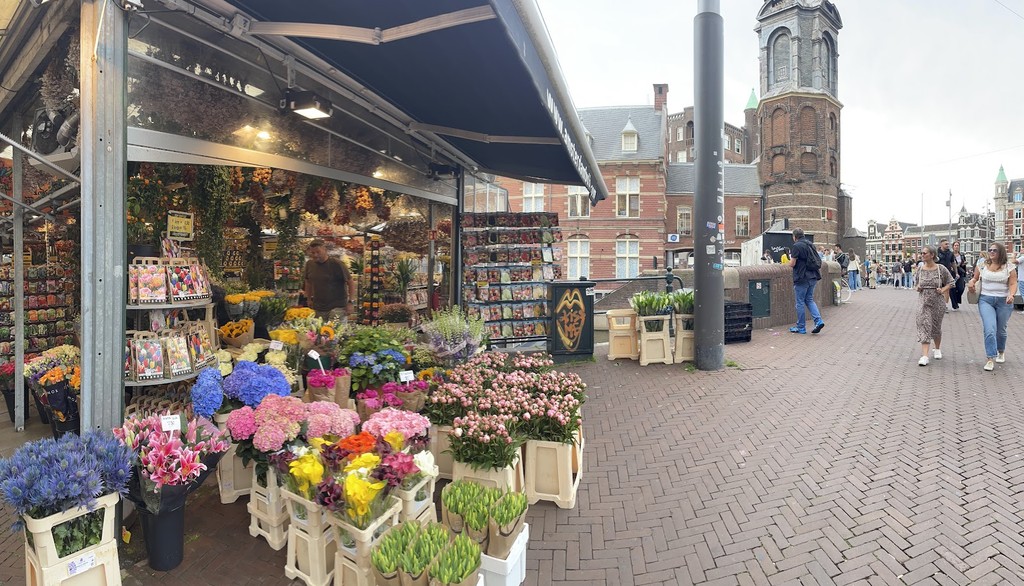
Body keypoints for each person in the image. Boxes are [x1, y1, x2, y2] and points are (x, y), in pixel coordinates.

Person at [967, 242, 1018, 371]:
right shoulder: (982, 265)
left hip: (1004, 301)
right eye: (990, 250)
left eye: (994, 250)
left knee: (1001, 330)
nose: (991, 252)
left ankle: (1001, 351)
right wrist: (971, 283)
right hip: (986, 300)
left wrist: (1011, 295)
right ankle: (990, 358)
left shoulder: (1009, 267)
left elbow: (1012, 283)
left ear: (1001, 252)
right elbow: (975, 278)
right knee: (989, 328)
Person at [914, 246, 954, 366]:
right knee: (924, 325)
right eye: (921, 253)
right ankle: (925, 356)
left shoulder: (940, 269)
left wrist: (942, 289)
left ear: (932, 255)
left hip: (937, 301)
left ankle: (937, 348)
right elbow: (915, 284)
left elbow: (951, 282)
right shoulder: (920, 269)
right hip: (923, 301)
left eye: (925, 253)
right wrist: (918, 288)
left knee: (936, 327)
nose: (922, 255)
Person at [302, 239, 356, 320]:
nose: (315, 255)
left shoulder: (336, 264)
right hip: (318, 307)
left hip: (337, 307)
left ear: (325, 250)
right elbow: (308, 282)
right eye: (313, 253)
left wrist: (351, 302)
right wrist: (309, 299)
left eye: (318, 252)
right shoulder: (309, 264)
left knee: (335, 331)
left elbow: (350, 282)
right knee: (319, 331)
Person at [787, 228, 824, 334]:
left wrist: (784, 264)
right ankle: (818, 321)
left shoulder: (796, 246)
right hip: (813, 276)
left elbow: (792, 263)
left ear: (794, 237)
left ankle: (801, 327)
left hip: (802, 277)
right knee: (809, 300)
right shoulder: (810, 244)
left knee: (799, 302)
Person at [936, 239, 956, 310]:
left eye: (948, 244)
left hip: (947, 273)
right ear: (941, 245)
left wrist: (956, 273)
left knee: (947, 289)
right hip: (937, 273)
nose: (948, 245)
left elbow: (953, 263)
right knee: (937, 289)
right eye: (946, 244)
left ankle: (945, 305)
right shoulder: (936, 252)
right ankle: (937, 304)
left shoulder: (950, 253)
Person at [949, 241, 967, 311]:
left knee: (961, 288)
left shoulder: (962, 255)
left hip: (960, 273)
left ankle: (957, 299)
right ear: (953, 247)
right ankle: (954, 305)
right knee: (952, 289)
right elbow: (949, 263)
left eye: (958, 245)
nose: (956, 247)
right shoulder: (950, 255)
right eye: (955, 245)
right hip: (952, 273)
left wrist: (963, 264)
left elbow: (963, 263)